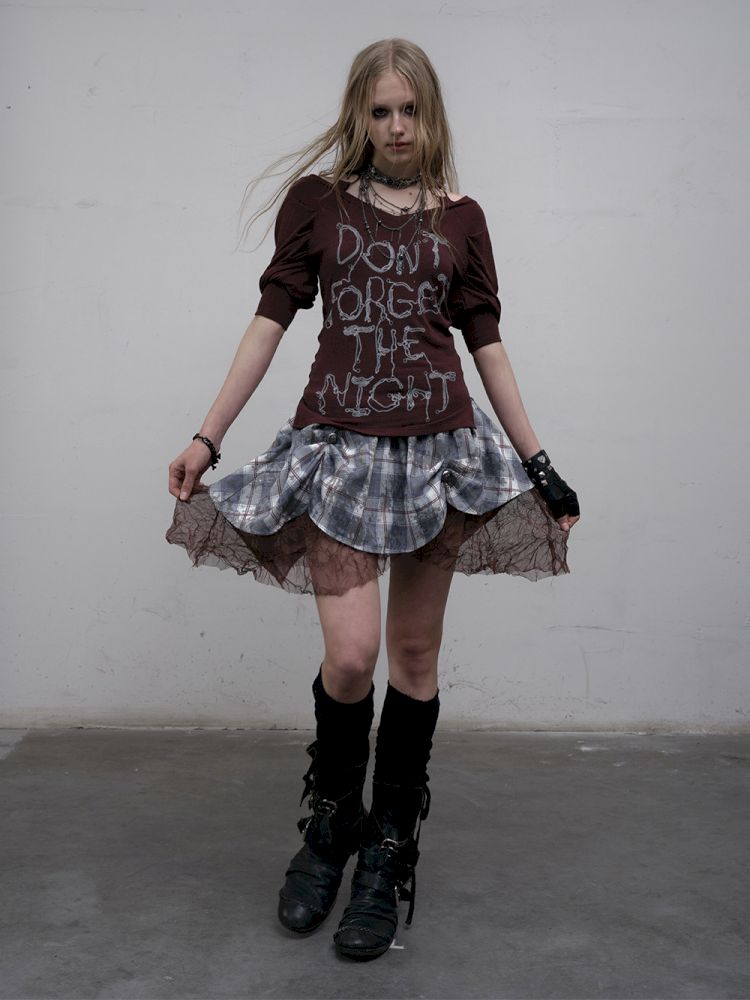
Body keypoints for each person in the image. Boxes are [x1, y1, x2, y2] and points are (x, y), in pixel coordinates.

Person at [166, 37, 580, 961]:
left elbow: (487, 346)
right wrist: (207, 435)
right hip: (341, 448)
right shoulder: (317, 204)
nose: (397, 127)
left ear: (432, 116)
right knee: (351, 659)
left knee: (414, 654)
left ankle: (388, 852)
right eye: (381, 110)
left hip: (439, 450)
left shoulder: (463, 219)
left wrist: (540, 461)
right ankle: (331, 825)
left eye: (410, 110)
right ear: (359, 115)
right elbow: (269, 322)